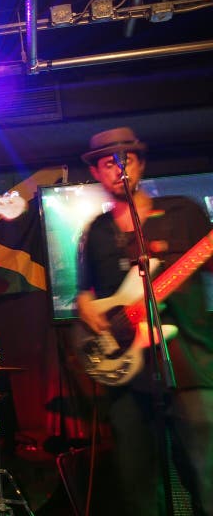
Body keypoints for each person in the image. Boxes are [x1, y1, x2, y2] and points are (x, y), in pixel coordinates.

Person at [76, 127, 213, 515]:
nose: (118, 169)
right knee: (137, 484)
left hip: (189, 362)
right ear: (98, 174)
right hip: (128, 374)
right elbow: (87, 295)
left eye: (126, 160)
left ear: (140, 164)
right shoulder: (96, 232)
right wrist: (89, 309)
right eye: (107, 164)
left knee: (206, 475)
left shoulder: (184, 211)